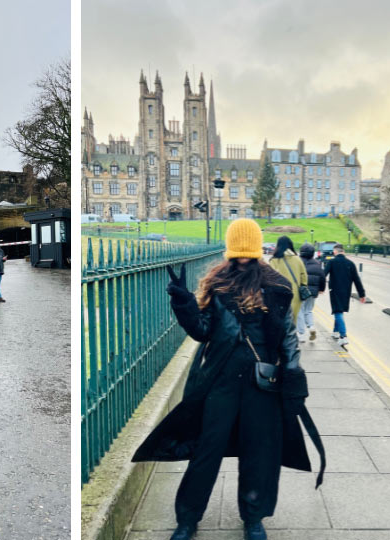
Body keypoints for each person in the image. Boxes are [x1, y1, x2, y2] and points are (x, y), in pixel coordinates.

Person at [132, 218, 324, 540]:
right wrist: (183, 303)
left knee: (258, 453)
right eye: (239, 252)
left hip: (262, 382)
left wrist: (293, 377)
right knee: (207, 450)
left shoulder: (276, 285)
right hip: (220, 379)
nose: (245, 258)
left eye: (250, 251)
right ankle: (188, 519)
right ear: (231, 249)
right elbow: (203, 331)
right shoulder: (217, 282)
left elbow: (288, 336)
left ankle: (253, 518)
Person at [323, 244, 366, 347]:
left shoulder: (332, 262)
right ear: (343, 251)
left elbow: (323, 274)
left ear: (335, 252)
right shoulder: (350, 263)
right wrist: (362, 294)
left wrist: (320, 287)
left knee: (337, 311)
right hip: (346, 291)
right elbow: (357, 280)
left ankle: (343, 336)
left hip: (334, 290)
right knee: (339, 310)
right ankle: (335, 332)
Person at [268, 236, 308, 322]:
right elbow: (304, 279)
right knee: (293, 321)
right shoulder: (298, 259)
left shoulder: (273, 261)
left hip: (278, 296)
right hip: (295, 295)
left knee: (280, 321)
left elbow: (269, 280)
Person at [298, 243, 325, 343]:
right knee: (308, 310)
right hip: (313, 292)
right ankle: (311, 326)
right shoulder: (317, 264)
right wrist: (321, 289)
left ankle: (301, 334)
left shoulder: (298, 262)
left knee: (300, 311)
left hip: (300, 291)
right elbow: (322, 277)